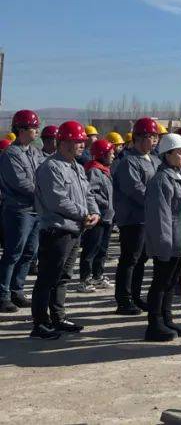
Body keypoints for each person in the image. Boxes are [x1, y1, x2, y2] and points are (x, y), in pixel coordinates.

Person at [30, 121, 100, 340]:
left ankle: (58, 318)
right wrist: (84, 214)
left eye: (82, 141)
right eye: (75, 141)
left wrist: (94, 212)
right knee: (47, 278)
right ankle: (41, 323)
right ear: (62, 142)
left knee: (63, 277)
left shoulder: (77, 167)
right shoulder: (51, 167)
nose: (80, 145)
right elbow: (57, 201)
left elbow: (88, 194)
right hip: (57, 231)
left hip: (75, 230)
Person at [142, 133, 181, 342]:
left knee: (171, 283)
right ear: (167, 154)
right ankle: (154, 324)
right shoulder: (161, 181)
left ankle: (167, 318)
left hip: (180, 240)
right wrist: (164, 245)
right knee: (160, 282)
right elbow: (161, 216)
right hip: (168, 241)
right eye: (180, 152)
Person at [112, 117, 161, 315]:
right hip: (133, 218)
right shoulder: (128, 162)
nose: (155, 141)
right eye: (152, 137)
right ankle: (123, 299)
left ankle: (135, 295)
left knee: (141, 259)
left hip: (148, 218)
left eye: (156, 137)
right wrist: (158, 202)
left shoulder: (155, 159)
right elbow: (136, 190)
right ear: (139, 138)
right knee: (129, 259)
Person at [0, 110, 44, 313]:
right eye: (33, 127)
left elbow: (44, 174)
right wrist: (45, 192)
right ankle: (3, 294)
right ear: (21, 129)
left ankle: (17, 290)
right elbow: (21, 183)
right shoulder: (10, 154)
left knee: (29, 252)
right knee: (13, 252)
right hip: (19, 210)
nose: (37, 130)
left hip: (35, 210)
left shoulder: (35, 152)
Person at [76, 138, 114, 293]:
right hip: (97, 216)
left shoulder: (104, 170)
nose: (113, 156)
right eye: (110, 153)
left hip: (107, 217)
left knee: (102, 249)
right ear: (102, 154)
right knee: (91, 249)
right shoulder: (94, 171)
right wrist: (104, 203)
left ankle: (98, 276)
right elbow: (90, 192)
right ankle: (84, 279)